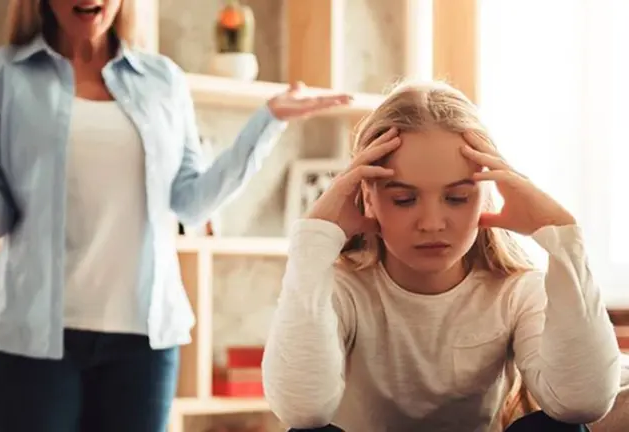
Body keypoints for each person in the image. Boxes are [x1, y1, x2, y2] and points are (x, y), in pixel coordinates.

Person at [0, 0, 352, 431]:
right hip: (30, 343)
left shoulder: (163, 79)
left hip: (142, 346)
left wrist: (267, 122)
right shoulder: (1, 74)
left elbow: (191, 202)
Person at [261, 80, 622, 432]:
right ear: (368, 197)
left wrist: (563, 240)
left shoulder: (515, 291)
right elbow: (302, 411)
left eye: (457, 198)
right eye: (404, 199)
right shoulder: (342, 288)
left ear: (485, 194)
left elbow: (582, 402)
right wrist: (312, 243)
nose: (432, 223)